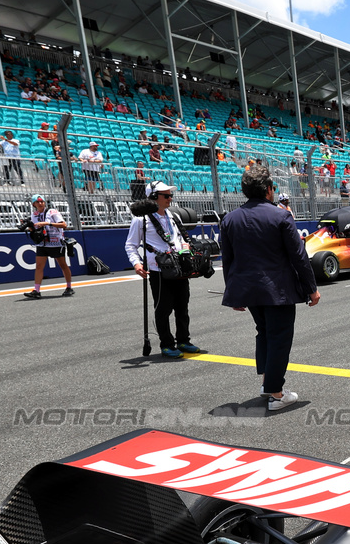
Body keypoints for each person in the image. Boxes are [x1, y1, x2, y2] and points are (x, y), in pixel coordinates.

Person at [221, 164, 320, 411]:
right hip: (278, 289)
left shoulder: (230, 219)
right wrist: (312, 289)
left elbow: (227, 260)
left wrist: (233, 293)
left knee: (264, 332)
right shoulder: (281, 216)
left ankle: (268, 383)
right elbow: (299, 257)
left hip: (249, 289)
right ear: (268, 189)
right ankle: (276, 393)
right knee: (279, 338)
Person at [126, 181, 199, 358]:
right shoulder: (140, 219)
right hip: (158, 270)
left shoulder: (174, 216)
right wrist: (137, 264)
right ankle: (167, 344)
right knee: (163, 309)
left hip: (179, 267)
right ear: (153, 197)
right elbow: (131, 245)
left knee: (183, 307)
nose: (170, 198)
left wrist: (185, 247)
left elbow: (180, 237)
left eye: (170, 195)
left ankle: (183, 340)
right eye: (166, 195)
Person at [23, 194, 72, 298]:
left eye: (42, 201)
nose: (40, 203)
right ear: (34, 204)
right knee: (39, 266)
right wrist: (30, 226)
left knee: (63, 265)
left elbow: (64, 225)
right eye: (38, 202)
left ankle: (69, 287)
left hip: (56, 242)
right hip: (42, 243)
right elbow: (36, 230)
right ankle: (36, 291)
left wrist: (48, 224)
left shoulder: (52, 212)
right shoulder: (34, 215)